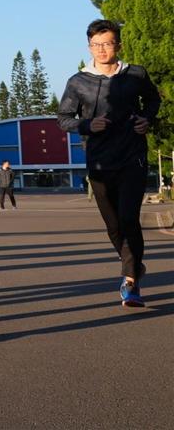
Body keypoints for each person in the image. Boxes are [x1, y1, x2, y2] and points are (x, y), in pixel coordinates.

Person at [57, 19, 160, 307]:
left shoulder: (136, 75)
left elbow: (153, 100)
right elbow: (63, 119)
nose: (101, 49)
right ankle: (134, 264)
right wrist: (89, 125)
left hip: (132, 156)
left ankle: (131, 281)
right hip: (99, 161)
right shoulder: (78, 82)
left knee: (129, 218)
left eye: (107, 43)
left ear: (118, 45)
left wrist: (146, 119)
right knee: (113, 225)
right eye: (95, 44)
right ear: (89, 46)